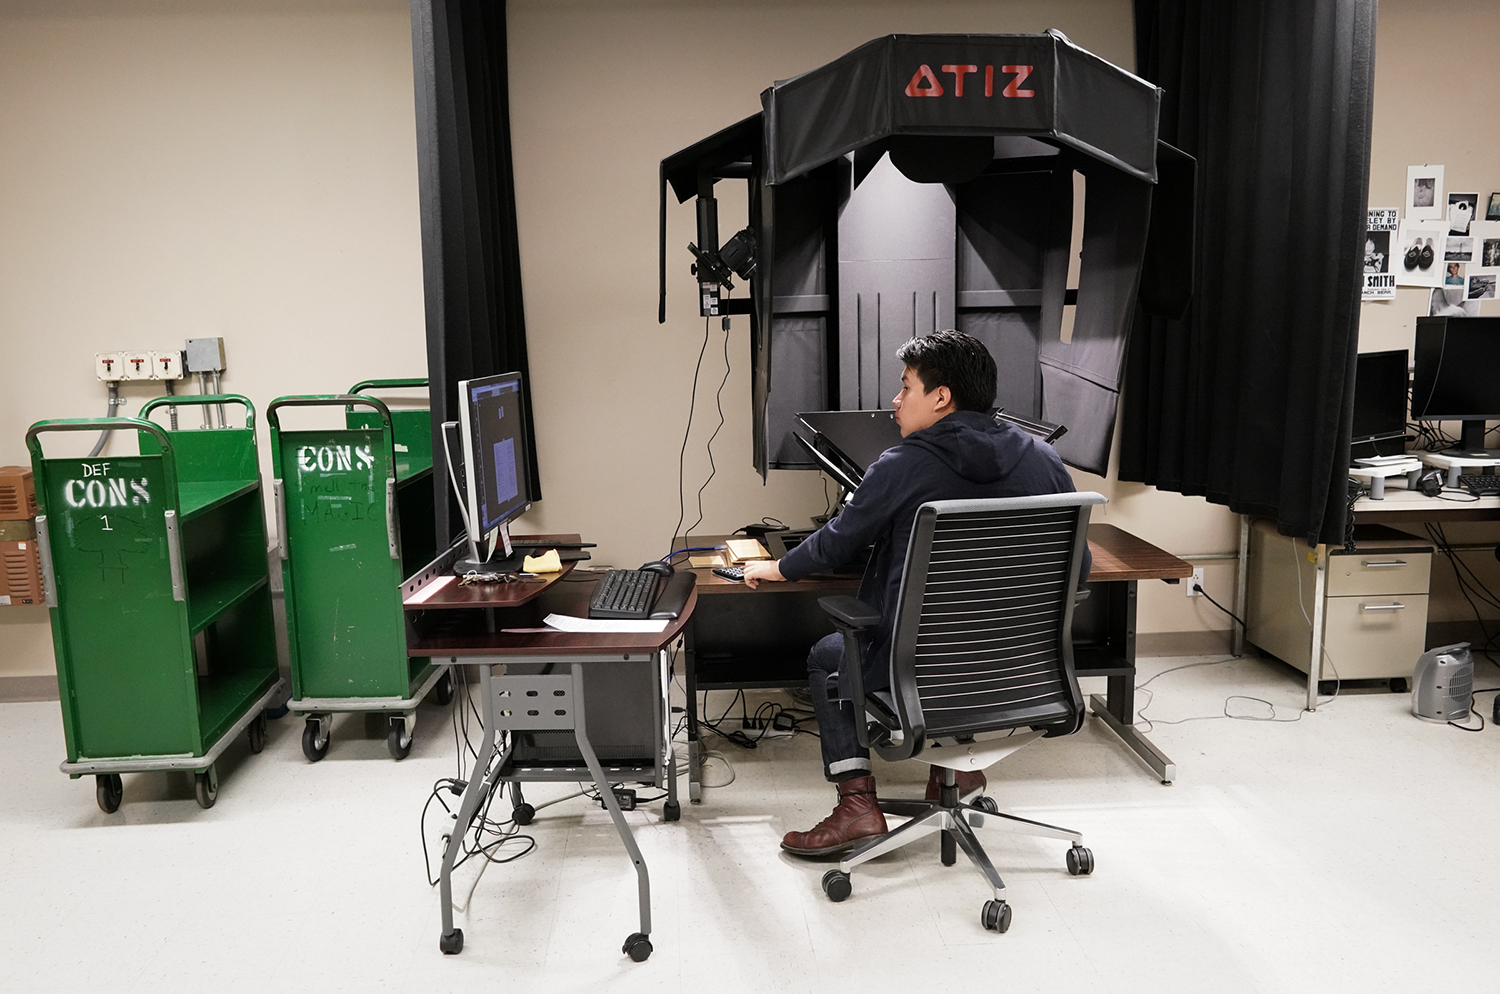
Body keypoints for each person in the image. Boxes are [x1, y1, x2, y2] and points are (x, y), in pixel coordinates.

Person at [742, 330, 1086, 857]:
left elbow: (836, 543)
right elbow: (1076, 568)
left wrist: (778, 567)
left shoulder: (901, 464)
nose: (896, 402)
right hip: (1020, 671)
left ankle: (857, 807)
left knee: (828, 656)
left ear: (941, 396)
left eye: (906, 388)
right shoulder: (1043, 459)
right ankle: (956, 774)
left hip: (924, 676)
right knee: (959, 633)